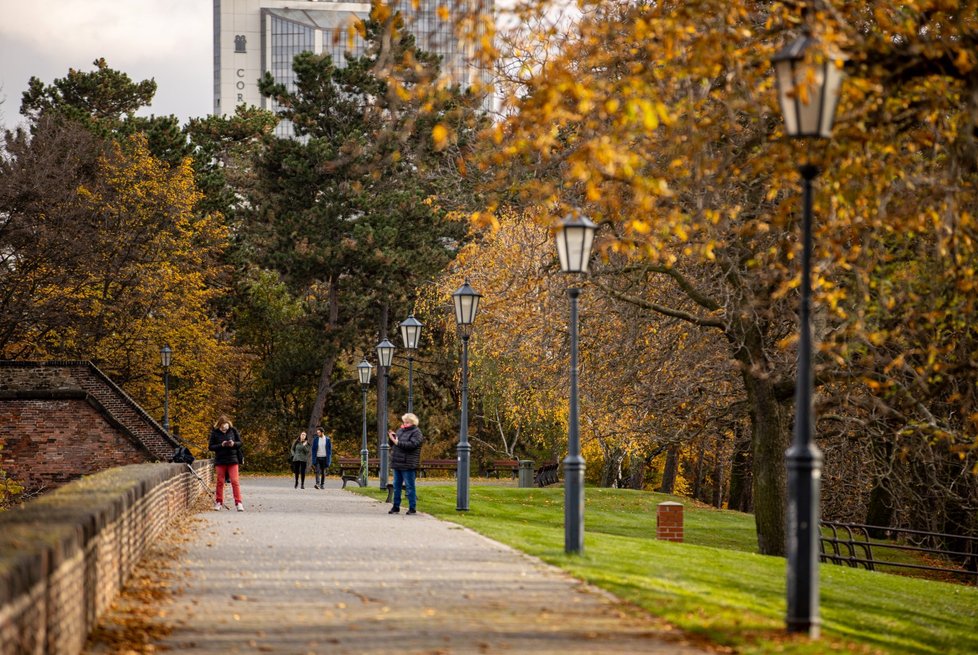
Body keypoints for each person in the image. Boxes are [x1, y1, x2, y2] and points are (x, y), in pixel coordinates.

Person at [388, 412, 424, 515]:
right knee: (396, 486)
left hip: (408, 464)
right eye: (404, 422)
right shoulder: (401, 430)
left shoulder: (417, 433)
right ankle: (396, 507)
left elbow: (412, 445)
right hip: (397, 462)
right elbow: (394, 444)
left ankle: (412, 508)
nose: (405, 424)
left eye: (407, 422)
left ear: (413, 422)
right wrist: (392, 438)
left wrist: (397, 443)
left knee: (409, 486)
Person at [209, 415, 244, 511]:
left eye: (226, 425)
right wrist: (221, 445)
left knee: (235, 481)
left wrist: (233, 444)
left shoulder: (233, 430)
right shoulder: (215, 433)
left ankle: (238, 503)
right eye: (223, 425)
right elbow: (211, 447)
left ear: (228, 424)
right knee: (220, 481)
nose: (225, 427)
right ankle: (219, 502)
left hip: (233, 459)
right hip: (220, 460)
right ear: (219, 425)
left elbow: (240, 443)